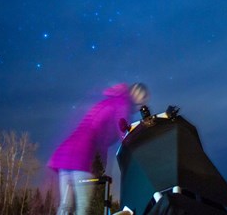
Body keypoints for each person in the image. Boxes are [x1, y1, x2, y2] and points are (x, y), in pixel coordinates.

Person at [48, 82, 150, 215]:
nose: (140, 107)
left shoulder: (113, 101)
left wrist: (103, 163)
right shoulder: (122, 104)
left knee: (65, 207)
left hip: (67, 152)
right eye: (141, 102)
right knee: (82, 207)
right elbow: (124, 133)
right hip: (82, 153)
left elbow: (101, 137)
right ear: (135, 94)